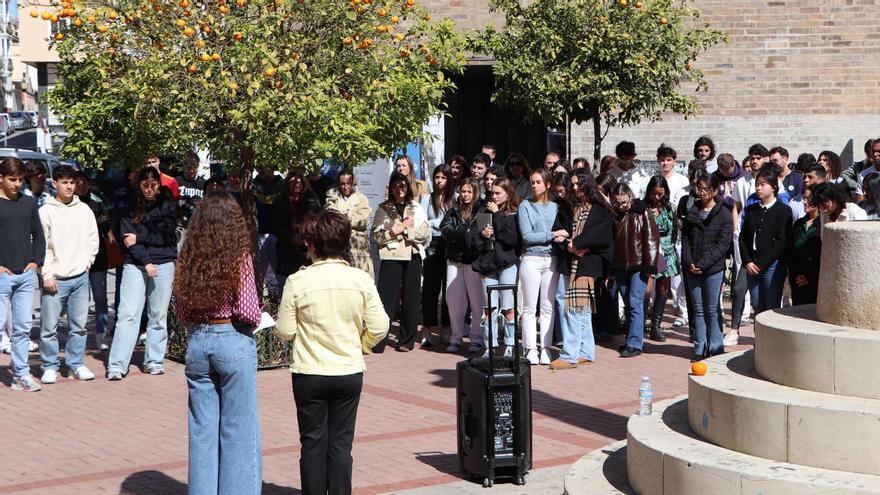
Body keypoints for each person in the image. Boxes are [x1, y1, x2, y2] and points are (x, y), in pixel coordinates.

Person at [276, 211, 388, 495]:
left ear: (313, 244)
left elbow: (285, 331)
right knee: (341, 445)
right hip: (348, 370)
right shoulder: (359, 279)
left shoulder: (298, 281)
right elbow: (380, 325)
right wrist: (362, 343)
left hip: (310, 371)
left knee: (312, 443)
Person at [173, 192, 263, 495]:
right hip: (231, 338)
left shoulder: (188, 256)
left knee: (202, 433)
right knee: (239, 430)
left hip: (198, 340)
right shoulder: (239, 257)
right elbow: (248, 311)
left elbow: (181, 310)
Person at [106, 166, 178, 380]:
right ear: (139, 185)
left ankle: (154, 361)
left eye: (153, 185)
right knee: (128, 315)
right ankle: (117, 364)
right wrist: (146, 261)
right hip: (135, 264)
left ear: (159, 184)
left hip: (164, 263)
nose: (149, 189)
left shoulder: (167, 205)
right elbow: (127, 240)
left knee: (158, 315)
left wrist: (142, 237)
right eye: (145, 185)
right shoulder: (129, 205)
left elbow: (167, 237)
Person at [38, 165, 100, 384]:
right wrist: (47, 274)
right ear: (55, 184)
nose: (69, 186)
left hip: (80, 278)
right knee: (48, 328)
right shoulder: (46, 211)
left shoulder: (84, 210)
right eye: (64, 182)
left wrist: (87, 263)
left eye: (72, 182)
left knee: (79, 327)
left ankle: (75, 364)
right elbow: (41, 246)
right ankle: (49, 366)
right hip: (55, 277)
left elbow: (93, 240)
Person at [550, 172, 613, 369]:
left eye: (578, 184)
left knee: (573, 308)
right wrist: (567, 243)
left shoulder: (599, 209)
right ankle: (586, 351)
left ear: (588, 185)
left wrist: (576, 243)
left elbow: (601, 236)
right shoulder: (568, 208)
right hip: (571, 262)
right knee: (583, 310)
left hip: (588, 263)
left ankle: (570, 355)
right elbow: (559, 230)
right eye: (573, 184)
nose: (575, 187)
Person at [0, 157, 46, 391]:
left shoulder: (28, 203)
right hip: (1, 276)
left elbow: (39, 235)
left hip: (25, 275)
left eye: (20, 179)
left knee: (22, 329)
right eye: (12, 179)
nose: (17, 184)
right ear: (1, 178)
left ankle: (21, 375)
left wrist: (35, 262)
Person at [372, 172, 430, 352]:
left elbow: (425, 233)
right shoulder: (383, 208)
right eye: (396, 186)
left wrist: (407, 232)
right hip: (391, 257)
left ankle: (406, 340)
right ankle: (379, 340)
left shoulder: (416, 207)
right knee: (386, 299)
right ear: (391, 188)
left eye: (403, 186)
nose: (400, 189)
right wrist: (398, 229)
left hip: (412, 256)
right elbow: (377, 235)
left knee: (411, 298)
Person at [681, 172, 733, 360]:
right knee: (698, 309)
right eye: (699, 189)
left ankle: (716, 347)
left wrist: (702, 264)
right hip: (692, 268)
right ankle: (700, 347)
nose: (701, 193)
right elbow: (685, 239)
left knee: (712, 309)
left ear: (713, 191)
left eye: (705, 189)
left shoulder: (724, 214)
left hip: (712, 269)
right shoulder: (692, 211)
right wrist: (689, 262)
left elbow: (722, 244)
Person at [469, 177, 521, 358]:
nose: (494, 196)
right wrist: (483, 235)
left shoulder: (514, 212)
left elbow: (511, 239)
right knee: (489, 308)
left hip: (507, 264)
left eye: (498, 193)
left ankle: (510, 344)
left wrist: (498, 214)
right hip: (488, 265)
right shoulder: (484, 211)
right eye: (492, 193)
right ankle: (489, 345)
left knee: (508, 307)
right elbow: (473, 240)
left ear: (508, 193)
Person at [518, 169, 562, 365]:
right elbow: (527, 236)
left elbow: (562, 231)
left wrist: (559, 235)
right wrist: (552, 235)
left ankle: (545, 347)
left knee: (547, 306)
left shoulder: (555, 207)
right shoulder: (525, 206)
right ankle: (529, 348)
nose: (534, 185)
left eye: (538, 182)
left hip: (550, 259)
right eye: (532, 182)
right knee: (529, 306)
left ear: (548, 184)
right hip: (531, 259)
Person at [610, 183, 659, 358]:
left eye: (624, 202)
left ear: (630, 197)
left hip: (638, 264)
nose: (621, 206)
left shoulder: (642, 212)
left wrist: (649, 267)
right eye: (617, 203)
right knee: (628, 304)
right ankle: (631, 338)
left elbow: (652, 239)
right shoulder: (615, 214)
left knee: (635, 302)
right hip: (620, 265)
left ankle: (635, 343)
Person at [739, 169, 793, 315]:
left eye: (763, 184)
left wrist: (762, 264)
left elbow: (781, 241)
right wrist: (747, 261)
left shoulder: (783, 210)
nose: (758, 188)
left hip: (772, 265)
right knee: (757, 304)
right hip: (752, 264)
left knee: (771, 306)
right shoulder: (751, 210)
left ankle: (772, 338)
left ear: (774, 187)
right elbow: (743, 237)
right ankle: (759, 337)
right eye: (757, 184)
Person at [441, 177, 485, 353]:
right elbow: (445, 231)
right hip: (454, 260)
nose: (465, 195)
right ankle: (456, 336)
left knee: (477, 303)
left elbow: (480, 236)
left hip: (473, 261)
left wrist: (465, 234)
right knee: (454, 301)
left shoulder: (482, 209)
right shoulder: (454, 211)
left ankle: (476, 338)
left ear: (475, 192)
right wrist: (464, 231)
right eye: (463, 191)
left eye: (469, 191)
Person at [75, 172, 113, 351]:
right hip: (76, 259)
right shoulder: (69, 205)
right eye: (78, 183)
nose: (81, 186)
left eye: (84, 183)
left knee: (100, 298)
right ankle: (77, 334)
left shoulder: (97, 204)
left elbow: (105, 226)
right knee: (79, 300)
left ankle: (101, 334)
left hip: (98, 258)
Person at [419, 165, 454, 346]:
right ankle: (427, 328)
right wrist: (440, 223)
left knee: (448, 287)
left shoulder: (454, 198)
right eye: (436, 177)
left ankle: (446, 328)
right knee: (430, 288)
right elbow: (423, 220)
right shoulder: (427, 198)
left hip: (449, 245)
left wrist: (438, 223)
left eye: (443, 178)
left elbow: (453, 221)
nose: (439, 181)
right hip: (432, 244)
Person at [269, 170, 322, 283]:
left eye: (298, 182)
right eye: (292, 183)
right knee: (287, 282)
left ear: (303, 183)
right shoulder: (280, 200)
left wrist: (304, 236)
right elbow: (274, 225)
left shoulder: (312, 199)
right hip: (286, 248)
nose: (295, 185)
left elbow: (317, 221)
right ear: (287, 184)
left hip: (307, 247)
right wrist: (290, 237)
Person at [644, 175, 679, 343]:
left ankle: (656, 326)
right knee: (646, 291)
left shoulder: (670, 208)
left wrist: (668, 250)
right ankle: (640, 323)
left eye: (660, 194)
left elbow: (674, 231)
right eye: (654, 194)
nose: (657, 197)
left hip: (667, 251)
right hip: (649, 251)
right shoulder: (643, 208)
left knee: (663, 290)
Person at [325, 168, 374, 277]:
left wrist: (342, 217)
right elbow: (330, 216)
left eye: (348, 183)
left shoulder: (361, 199)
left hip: (358, 246)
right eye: (343, 184)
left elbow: (364, 220)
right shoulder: (332, 197)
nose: (346, 187)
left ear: (353, 183)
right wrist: (350, 216)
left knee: (361, 277)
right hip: (339, 245)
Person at [790, 185, 821, 305]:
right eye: (804, 198)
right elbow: (792, 251)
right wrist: (797, 275)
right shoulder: (799, 223)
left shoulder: (822, 224)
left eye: (809, 199)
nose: (805, 202)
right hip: (797, 278)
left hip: (814, 280)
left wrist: (809, 277)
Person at [855, 138, 880, 203]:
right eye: (873, 151)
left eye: (879, 151)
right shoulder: (863, 175)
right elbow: (860, 200)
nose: (875, 154)